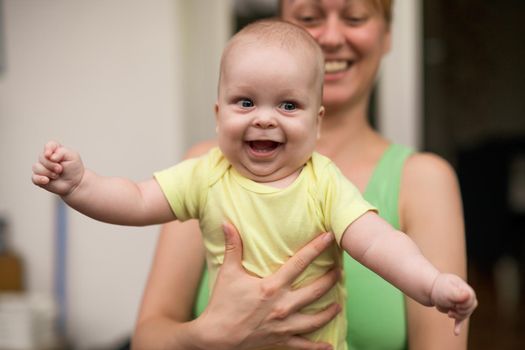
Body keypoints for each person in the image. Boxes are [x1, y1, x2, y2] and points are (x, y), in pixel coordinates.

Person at [32, 19, 476, 350]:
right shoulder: (206, 174)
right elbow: (135, 200)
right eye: (245, 101)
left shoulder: (323, 184)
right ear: (218, 114)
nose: (264, 117)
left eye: (287, 104)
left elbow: (381, 244)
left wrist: (433, 285)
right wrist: (80, 185)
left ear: (314, 123)